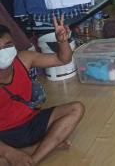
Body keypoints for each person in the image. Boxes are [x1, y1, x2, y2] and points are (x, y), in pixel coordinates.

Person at [0, 15, 85, 166]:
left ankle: (33, 158)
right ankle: (46, 146)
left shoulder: (24, 59)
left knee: (76, 108)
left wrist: (63, 41)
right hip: (5, 136)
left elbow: (62, 59)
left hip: (33, 121)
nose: (3, 51)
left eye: (7, 45)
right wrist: (9, 152)